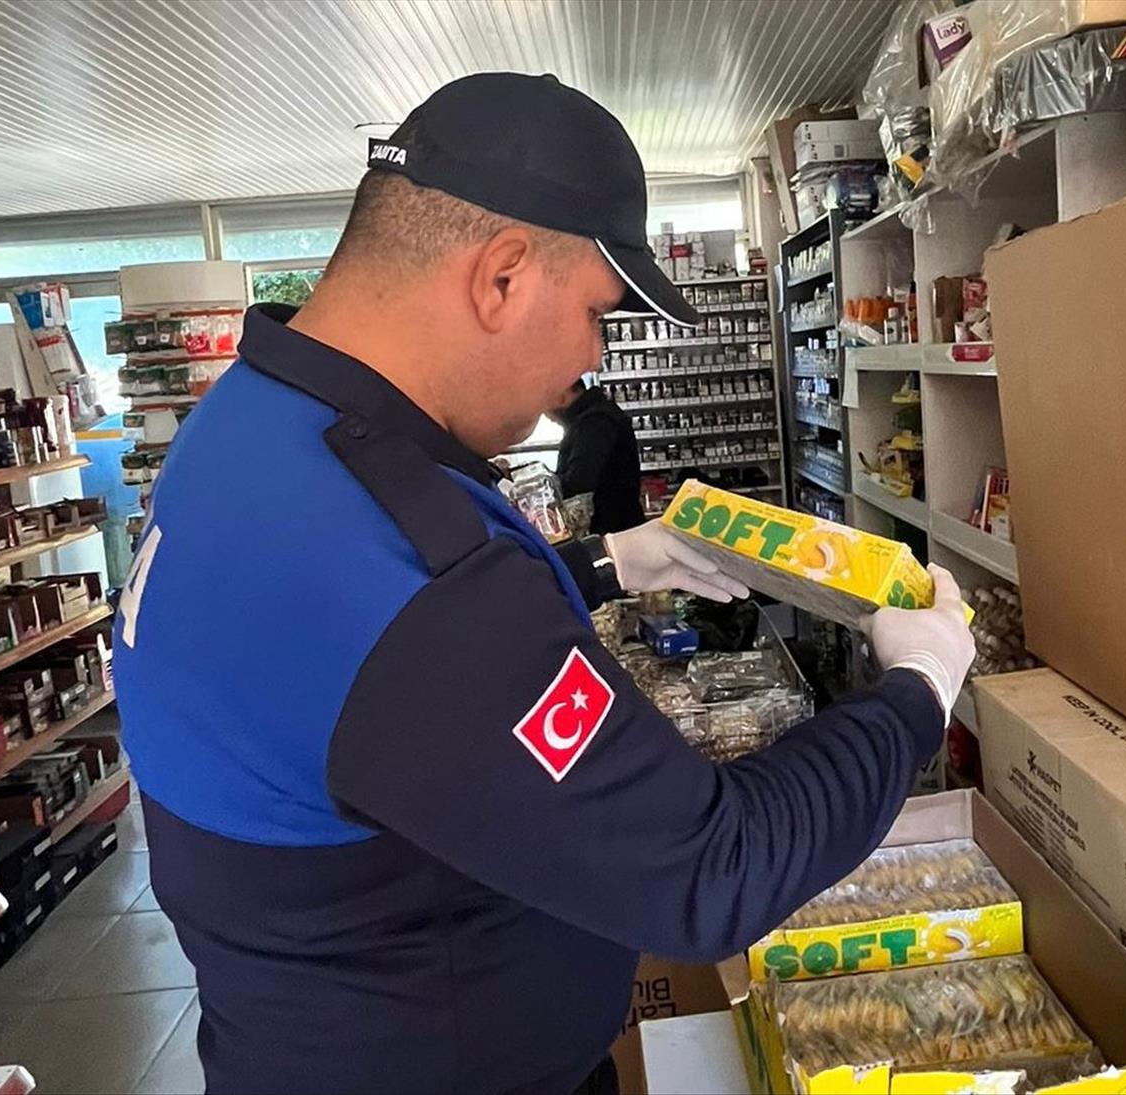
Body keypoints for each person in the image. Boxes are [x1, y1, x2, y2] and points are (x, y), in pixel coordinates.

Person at [114, 72, 976, 1095]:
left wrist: (608, 561)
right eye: (598, 313)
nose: (592, 357)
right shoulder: (410, 567)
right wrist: (915, 691)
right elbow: (711, 871)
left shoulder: (247, 422)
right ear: (503, 277)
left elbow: (359, 658)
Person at [550, 378, 644, 535]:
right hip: (617, 527)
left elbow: (579, 482)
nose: (544, 412)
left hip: (611, 532)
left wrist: (546, 486)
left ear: (562, 393)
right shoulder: (591, 417)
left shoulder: (594, 421)